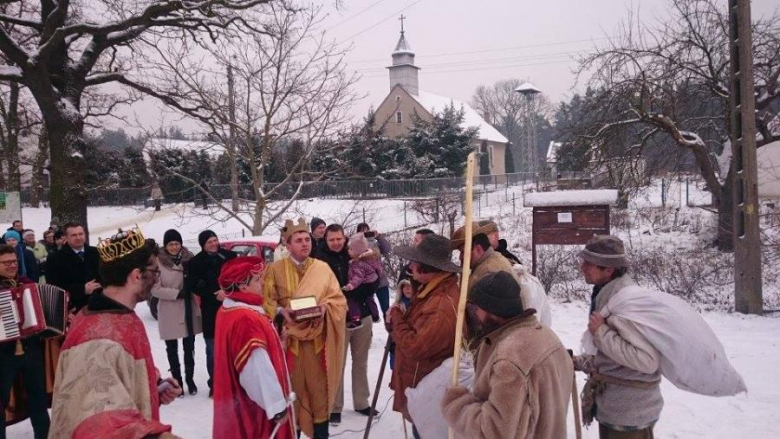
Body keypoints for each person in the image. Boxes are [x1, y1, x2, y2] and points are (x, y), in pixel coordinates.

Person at [49, 230, 181, 439]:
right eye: (155, 271)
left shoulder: (116, 314)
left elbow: (114, 376)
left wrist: (152, 386)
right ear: (137, 275)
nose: (157, 278)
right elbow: (98, 422)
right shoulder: (98, 340)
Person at [441, 271, 573, 438]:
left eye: (476, 308)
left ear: (492, 310)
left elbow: (494, 432)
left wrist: (455, 404)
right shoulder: (547, 336)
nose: (473, 314)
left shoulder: (510, 359)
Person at [263, 218, 347, 439]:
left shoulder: (322, 268)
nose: (304, 244)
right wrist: (281, 312)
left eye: (307, 239)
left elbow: (339, 302)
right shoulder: (275, 269)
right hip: (290, 344)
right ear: (288, 244)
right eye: (298, 240)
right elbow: (266, 301)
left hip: (318, 343)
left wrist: (324, 309)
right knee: (294, 394)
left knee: (320, 394)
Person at [573, 235, 661, 439]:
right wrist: (579, 363)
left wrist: (601, 332)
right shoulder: (607, 293)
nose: (582, 267)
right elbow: (612, 356)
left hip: (630, 414)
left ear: (609, 269)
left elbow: (647, 361)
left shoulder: (625, 303)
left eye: (589, 263)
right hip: (617, 408)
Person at [212, 256, 295, 439]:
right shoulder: (245, 318)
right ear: (242, 285)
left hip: (235, 404)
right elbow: (255, 368)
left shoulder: (228, 309)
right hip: (254, 411)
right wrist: (276, 407)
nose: (262, 282)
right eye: (257, 279)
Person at [388, 233, 460, 438]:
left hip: (428, 389)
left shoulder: (440, 304)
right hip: (422, 386)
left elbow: (414, 346)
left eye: (414, 261)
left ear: (427, 267)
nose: (409, 267)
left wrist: (396, 317)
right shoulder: (430, 290)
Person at [315, 224, 376, 425]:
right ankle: (334, 405)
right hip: (336, 317)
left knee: (361, 361)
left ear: (344, 237)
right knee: (336, 362)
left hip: (363, 313)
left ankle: (361, 401)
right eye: (331, 239)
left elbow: (375, 278)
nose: (336, 243)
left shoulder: (357, 252)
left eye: (339, 239)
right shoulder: (319, 259)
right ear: (326, 240)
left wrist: (355, 293)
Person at [0, 245, 50, 439]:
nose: (12, 265)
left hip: (31, 351)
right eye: (6, 262)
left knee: (38, 398)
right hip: (3, 355)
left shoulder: (26, 283)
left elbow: (41, 313)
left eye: (14, 261)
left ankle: (44, 435)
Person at [183, 230, 237, 397]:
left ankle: (234, 382)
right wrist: (213, 292)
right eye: (209, 242)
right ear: (203, 245)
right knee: (213, 349)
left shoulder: (229, 256)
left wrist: (228, 292)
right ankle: (215, 383)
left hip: (231, 306)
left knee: (233, 347)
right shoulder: (195, 262)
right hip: (210, 309)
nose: (214, 244)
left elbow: (239, 277)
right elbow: (192, 285)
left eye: (215, 240)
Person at [151, 229, 201, 396]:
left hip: (188, 308)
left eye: (177, 243)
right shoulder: (158, 262)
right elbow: (155, 289)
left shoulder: (190, 258)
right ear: (165, 245)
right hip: (169, 310)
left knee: (190, 346)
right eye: (170, 244)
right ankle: (177, 381)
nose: (174, 247)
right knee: (172, 348)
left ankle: (190, 379)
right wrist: (176, 293)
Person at [46, 223, 101, 312]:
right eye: (74, 235)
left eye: (81, 234)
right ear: (66, 238)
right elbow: (54, 287)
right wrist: (82, 289)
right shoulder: (55, 258)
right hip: (73, 308)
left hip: (98, 305)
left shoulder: (96, 252)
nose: (78, 237)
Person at [343, 233, 382, 329]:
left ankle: (356, 320)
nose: (348, 251)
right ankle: (375, 315)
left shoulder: (357, 263)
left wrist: (351, 285)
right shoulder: (370, 257)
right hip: (373, 281)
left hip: (364, 283)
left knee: (352, 299)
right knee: (369, 297)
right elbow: (379, 268)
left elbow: (358, 277)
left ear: (358, 252)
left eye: (351, 249)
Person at [355, 223, 392, 318]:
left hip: (381, 281)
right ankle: (368, 331)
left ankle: (391, 330)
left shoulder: (376, 243)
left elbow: (387, 248)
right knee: (369, 311)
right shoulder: (355, 245)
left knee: (386, 310)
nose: (365, 233)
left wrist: (379, 236)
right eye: (362, 231)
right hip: (366, 283)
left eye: (367, 230)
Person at [387, 279, 413, 369]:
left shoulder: (420, 304)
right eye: (404, 286)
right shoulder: (397, 305)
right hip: (398, 341)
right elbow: (389, 322)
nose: (407, 289)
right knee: (397, 367)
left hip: (413, 341)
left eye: (410, 286)